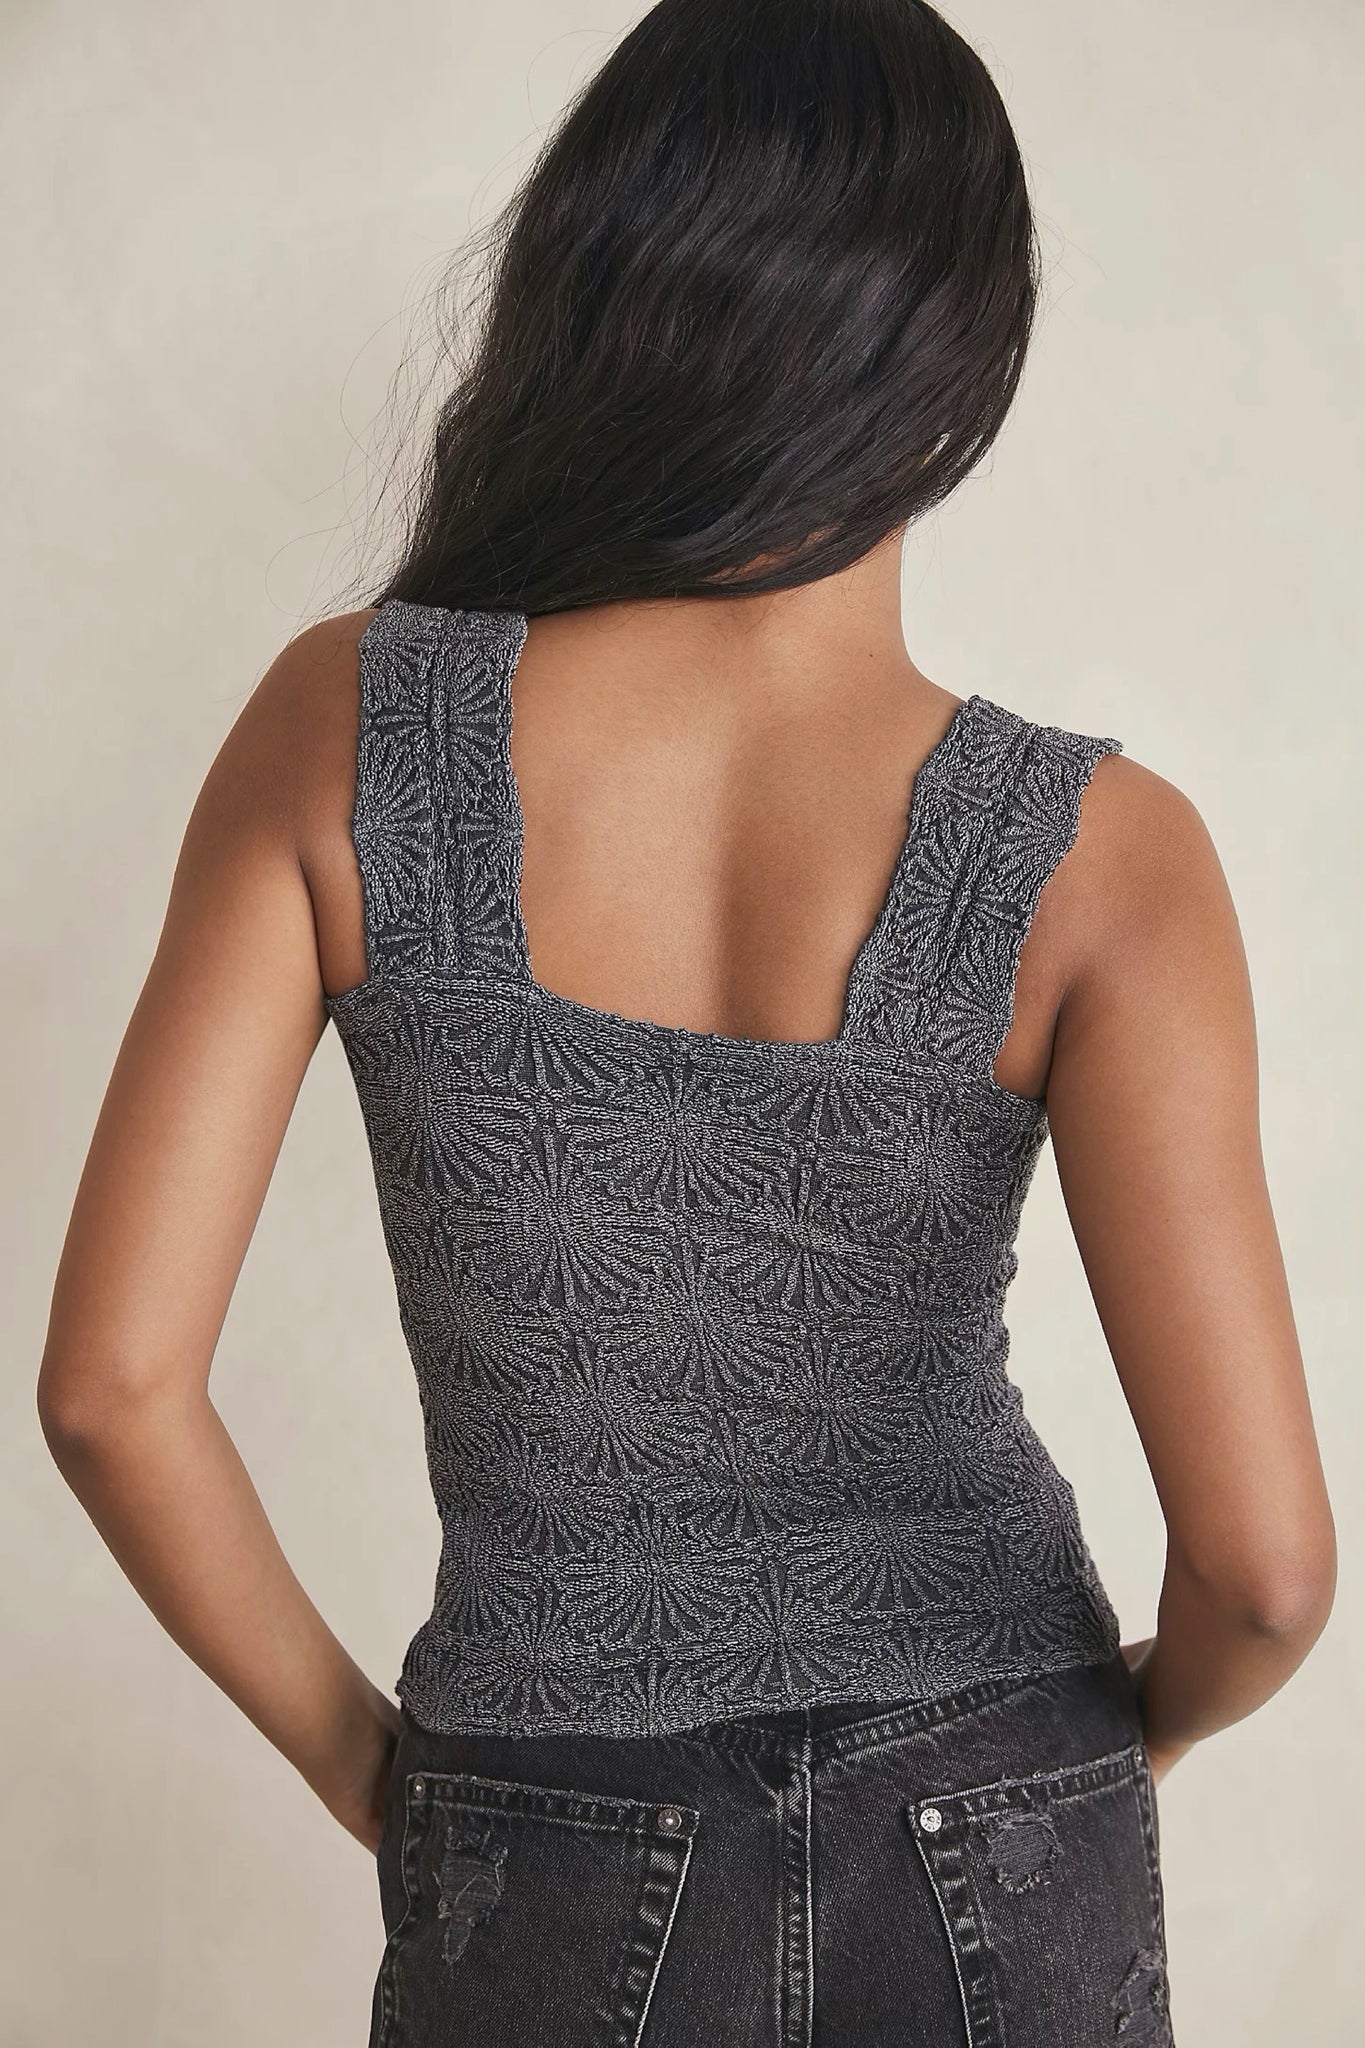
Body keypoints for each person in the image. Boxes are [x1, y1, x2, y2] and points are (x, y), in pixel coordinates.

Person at [38, 3, 1335, 2043]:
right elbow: (1263, 1571)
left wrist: (382, 1777)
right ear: (959, 355)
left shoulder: (348, 729)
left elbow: (114, 1389)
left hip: (537, 1812)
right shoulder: (1104, 855)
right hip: (1002, 1776)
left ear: (595, 294)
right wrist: (1093, 1756)